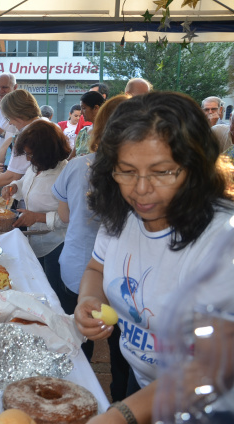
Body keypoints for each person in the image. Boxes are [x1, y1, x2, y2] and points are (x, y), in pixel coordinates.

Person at [75, 92, 234, 423]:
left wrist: (123, 415)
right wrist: (89, 298)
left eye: (162, 172)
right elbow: (95, 267)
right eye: (127, 171)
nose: (141, 189)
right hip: (144, 383)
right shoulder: (122, 214)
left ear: (195, 167)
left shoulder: (222, 240)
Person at [52, 95, 131, 399]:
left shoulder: (78, 167)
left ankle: (81, 392)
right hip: (100, 276)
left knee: (76, 345)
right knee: (119, 353)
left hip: (79, 267)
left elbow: (65, 216)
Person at [1, 120, 70, 297]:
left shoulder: (65, 174)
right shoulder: (35, 167)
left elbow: (70, 217)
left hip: (58, 245)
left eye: (31, 155)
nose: (28, 159)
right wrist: (14, 186)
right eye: (26, 154)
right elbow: (26, 183)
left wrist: (38, 217)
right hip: (35, 240)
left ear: (46, 152)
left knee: (54, 295)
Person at [73, 90, 105, 157]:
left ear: (96, 108)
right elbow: (72, 156)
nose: (81, 112)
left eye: (84, 108)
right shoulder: (83, 132)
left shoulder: (108, 132)